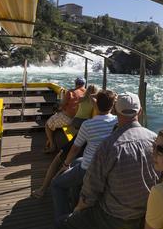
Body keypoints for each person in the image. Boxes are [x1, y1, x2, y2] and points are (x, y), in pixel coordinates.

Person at [39, 92, 160, 229]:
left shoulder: (109, 146)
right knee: (88, 226)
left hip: (114, 220)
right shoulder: (155, 140)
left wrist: (76, 212)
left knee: (61, 227)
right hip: (145, 218)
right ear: (140, 111)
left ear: (116, 111)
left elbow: (90, 193)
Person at [43, 90, 117, 219]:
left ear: (95, 105)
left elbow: (75, 149)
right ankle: (76, 204)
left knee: (56, 184)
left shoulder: (88, 125)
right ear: (112, 106)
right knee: (78, 163)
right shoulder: (116, 122)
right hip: (106, 166)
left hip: (89, 167)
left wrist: (66, 164)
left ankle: (64, 220)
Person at [44, 77, 86, 153]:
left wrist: (58, 109)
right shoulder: (87, 93)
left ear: (76, 84)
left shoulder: (71, 92)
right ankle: (50, 141)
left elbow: (62, 105)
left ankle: (52, 145)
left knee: (47, 125)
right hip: (81, 120)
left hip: (68, 119)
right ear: (84, 84)